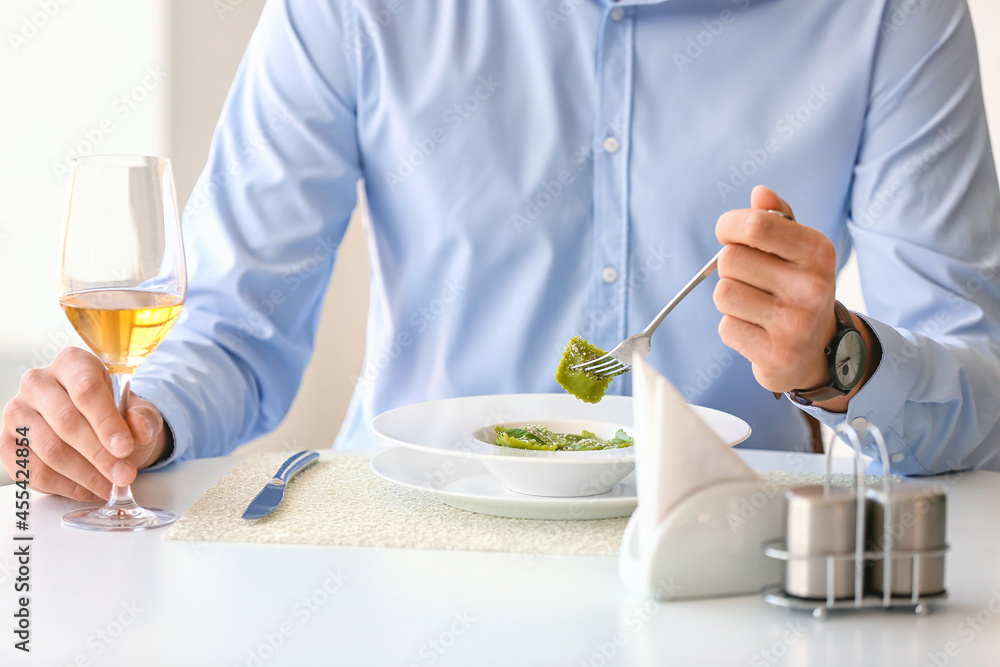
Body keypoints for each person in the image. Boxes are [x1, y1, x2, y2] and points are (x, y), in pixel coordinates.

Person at [4, 0, 1000, 501]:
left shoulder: (889, 15)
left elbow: (980, 383)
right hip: (399, 548)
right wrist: (132, 420)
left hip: (729, 571)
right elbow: (233, 330)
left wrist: (838, 358)